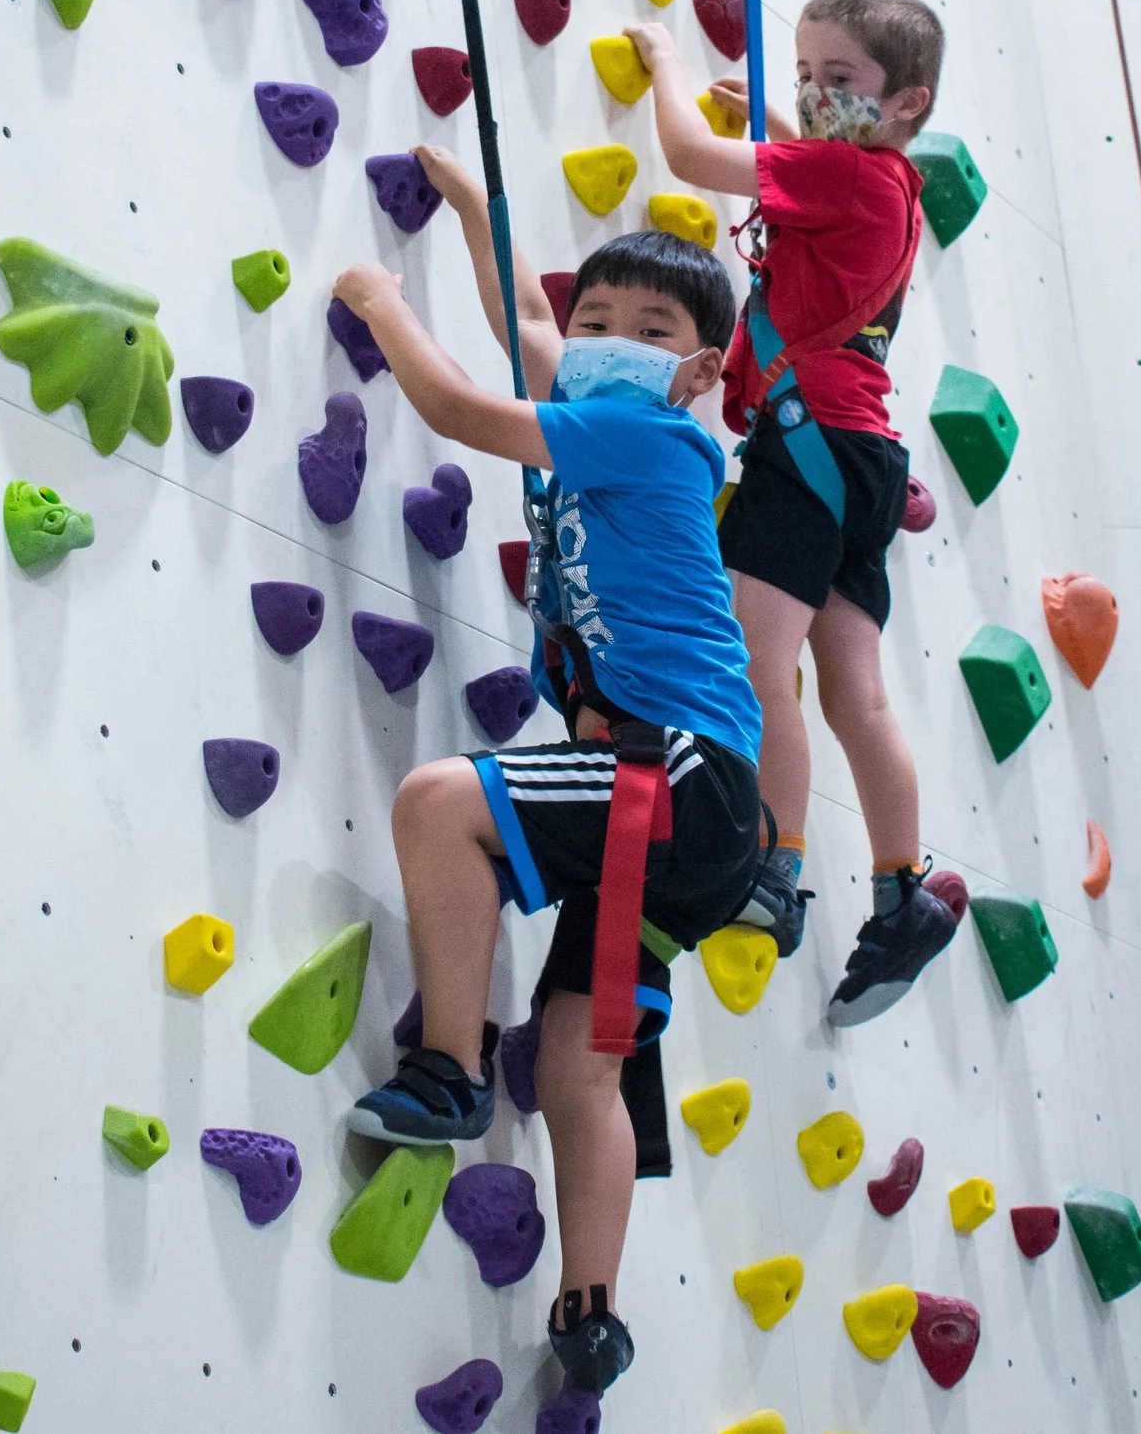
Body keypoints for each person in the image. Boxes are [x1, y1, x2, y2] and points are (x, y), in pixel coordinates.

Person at [331, 150, 795, 1399]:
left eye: (651, 329)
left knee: (441, 801)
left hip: (677, 777)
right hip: (685, 818)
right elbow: (529, 323)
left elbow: (459, 410)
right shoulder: (610, 407)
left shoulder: (645, 436)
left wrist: (380, 301)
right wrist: (483, 206)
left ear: (700, 372)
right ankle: (591, 1312)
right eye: (600, 320)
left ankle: (446, 1061)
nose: (605, 338)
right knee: (586, 1064)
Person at [619, 0, 956, 1027]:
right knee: (857, 692)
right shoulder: (890, 187)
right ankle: (901, 889)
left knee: (761, 667)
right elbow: (819, 236)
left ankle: (774, 865)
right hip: (859, 452)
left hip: (804, 449)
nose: (814, 97)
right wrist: (777, 116)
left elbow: (682, 155)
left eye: (839, 82)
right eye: (805, 77)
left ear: (907, 102)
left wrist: (667, 61)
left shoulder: (841, 172)